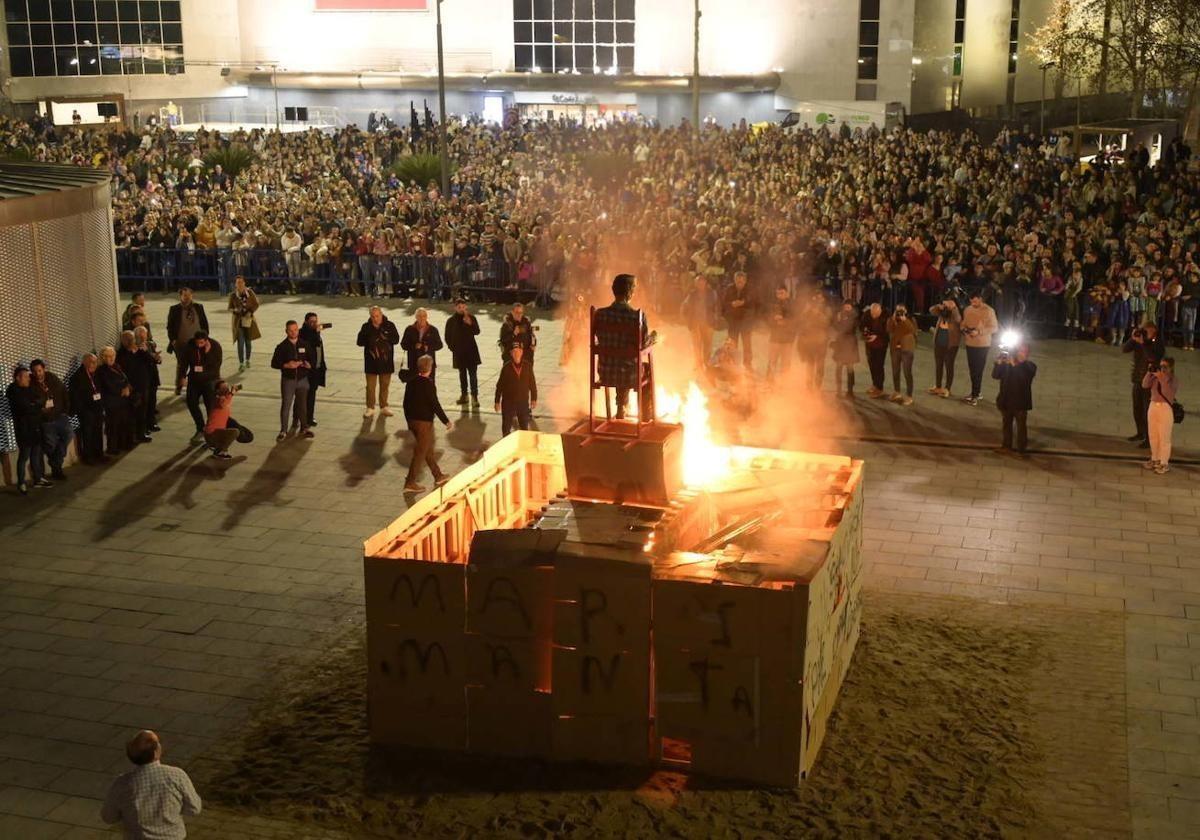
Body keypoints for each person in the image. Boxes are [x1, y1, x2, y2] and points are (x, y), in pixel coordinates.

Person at [101, 730, 202, 839]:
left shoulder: (122, 784)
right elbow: (194, 809)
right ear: (156, 752)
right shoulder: (176, 775)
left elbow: (108, 817)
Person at [593, 273, 657, 419]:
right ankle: (646, 415)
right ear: (629, 291)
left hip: (605, 372)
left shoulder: (600, 314)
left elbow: (596, 339)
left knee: (621, 361)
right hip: (628, 375)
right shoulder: (636, 316)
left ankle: (621, 407)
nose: (634, 291)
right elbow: (643, 343)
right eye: (634, 287)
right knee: (643, 368)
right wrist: (653, 337)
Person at [402, 354, 453, 492]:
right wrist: (446, 421)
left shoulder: (411, 382)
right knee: (420, 452)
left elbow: (405, 403)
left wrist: (409, 420)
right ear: (430, 368)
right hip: (424, 423)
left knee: (427, 449)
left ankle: (438, 475)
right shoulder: (428, 384)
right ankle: (410, 482)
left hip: (412, 421)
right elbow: (434, 404)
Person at [270, 320, 315, 442]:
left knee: (302, 405)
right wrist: (286, 365)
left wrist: (308, 364)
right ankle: (283, 430)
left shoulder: (304, 344)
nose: (293, 332)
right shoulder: (282, 347)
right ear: (286, 331)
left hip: (302, 379)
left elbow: (312, 359)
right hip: (288, 380)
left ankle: (304, 428)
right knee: (286, 405)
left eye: (295, 330)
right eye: (291, 330)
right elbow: (274, 363)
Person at [7, 365, 50, 494]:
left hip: (35, 426)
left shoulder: (29, 389)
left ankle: (37, 479)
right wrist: (36, 405)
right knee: (24, 456)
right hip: (23, 429)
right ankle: (21, 483)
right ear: (17, 378)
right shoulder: (13, 391)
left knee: (36, 454)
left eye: (28, 376)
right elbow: (24, 408)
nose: (28, 379)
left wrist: (34, 404)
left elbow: (41, 399)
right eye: (25, 377)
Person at [1122, 321, 1163, 448]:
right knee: (1137, 409)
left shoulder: (1158, 343)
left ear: (1154, 331)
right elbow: (1124, 349)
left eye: (1147, 331)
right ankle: (1140, 433)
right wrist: (1133, 338)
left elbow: (1153, 357)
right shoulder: (1141, 340)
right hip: (1137, 379)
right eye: (1144, 330)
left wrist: (1143, 344)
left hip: (1151, 382)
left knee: (1147, 412)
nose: (1145, 333)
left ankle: (1149, 439)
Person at [29, 359, 72, 480]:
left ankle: (55, 462)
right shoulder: (31, 385)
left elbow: (64, 391)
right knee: (51, 444)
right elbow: (33, 403)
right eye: (34, 371)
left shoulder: (52, 378)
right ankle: (56, 469)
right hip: (47, 420)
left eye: (39, 370)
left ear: (44, 369)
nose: (38, 374)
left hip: (60, 416)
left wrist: (66, 410)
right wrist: (41, 409)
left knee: (69, 435)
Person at [992, 343, 1037, 455]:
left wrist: (1013, 364)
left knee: (1021, 426)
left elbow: (1023, 378)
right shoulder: (1007, 364)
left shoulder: (1030, 366)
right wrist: (998, 364)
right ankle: (1006, 446)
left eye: (1025, 352)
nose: (1022, 354)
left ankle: (1022, 449)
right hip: (1006, 400)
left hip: (1020, 402)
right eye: (1021, 351)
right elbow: (995, 375)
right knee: (1006, 424)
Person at [357, 306, 400, 417]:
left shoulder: (389, 325)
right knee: (370, 387)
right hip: (371, 362)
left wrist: (385, 335)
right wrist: (367, 336)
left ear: (381, 314)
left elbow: (396, 340)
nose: (375, 318)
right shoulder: (366, 327)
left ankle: (384, 406)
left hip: (385, 362)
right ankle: (370, 407)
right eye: (373, 316)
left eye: (377, 316)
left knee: (384, 385)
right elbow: (359, 342)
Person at [165, 287, 209, 394]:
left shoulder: (198, 307)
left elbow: (204, 323)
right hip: (182, 343)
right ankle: (179, 386)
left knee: (198, 366)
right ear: (180, 296)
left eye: (189, 295)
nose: (187, 297)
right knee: (182, 366)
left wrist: (206, 337)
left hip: (197, 343)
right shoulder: (175, 309)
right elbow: (170, 326)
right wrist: (173, 341)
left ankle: (196, 388)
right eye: (185, 295)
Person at [184, 331, 222, 445]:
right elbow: (183, 362)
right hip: (194, 380)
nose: (199, 345)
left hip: (209, 380)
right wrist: (182, 376)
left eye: (201, 343)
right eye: (197, 343)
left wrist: (207, 353)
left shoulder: (215, 346)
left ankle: (210, 431)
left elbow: (216, 365)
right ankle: (200, 427)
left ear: (206, 341)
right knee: (191, 402)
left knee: (210, 406)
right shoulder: (190, 346)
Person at [961, 292, 999, 406]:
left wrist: (979, 332)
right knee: (972, 369)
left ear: (980, 299)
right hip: (969, 342)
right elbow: (964, 322)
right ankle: (976, 392)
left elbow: (994, 328)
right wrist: (963, 328)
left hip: (982, 344)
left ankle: (975, 394)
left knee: (978, 369)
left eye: (975, 301)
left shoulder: (989, 311)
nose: (973, 303)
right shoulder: (967, 310)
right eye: (971, 301)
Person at [69, 353, 107, 465]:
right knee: (87, 433)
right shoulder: (77, 377)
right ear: (84, 362)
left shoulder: (96, 374)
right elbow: (76, 396)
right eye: (91, 362)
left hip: (97, 408)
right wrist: (82, 410)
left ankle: (99, 454)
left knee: (98, 432)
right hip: (86, 410)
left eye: (95, 362)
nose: (94, 365)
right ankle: (88, 457)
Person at [116, 331, 154, 444]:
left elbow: (150, 361)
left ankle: (141, 433)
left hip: (143, 386)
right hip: (131, 388)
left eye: (131, 339)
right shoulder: (121, 355)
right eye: (127, 340)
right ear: (123, 341)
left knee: (143, 411)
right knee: (132, 413)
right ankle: (131, 436)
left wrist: (142, 351)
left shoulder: (139, 351)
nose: (130, 342)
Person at [97, 345, 136, 454]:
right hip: (112, 402)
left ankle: (123, 444)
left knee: (123, 423)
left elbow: (125, 379)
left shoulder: (116, 366)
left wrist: (127, 387)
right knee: (113, 426)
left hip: (122, 401)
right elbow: (109, 385)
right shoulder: (102, 370)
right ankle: (112, 448)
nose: (111, 358)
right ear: (103, 357)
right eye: (108, 356)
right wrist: (122, 390)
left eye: (113, 355)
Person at [1143, 357, 1178, 475]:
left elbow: (1168, 393)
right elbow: (1144, 385)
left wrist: (1162, 378)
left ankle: (1164, 463)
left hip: (1165, 408)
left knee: (1164, 437)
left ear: (1170, 368)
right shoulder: (1155, 376)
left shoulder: (1173, 379)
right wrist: (1149, 372)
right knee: (1153, 435)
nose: (1162, 368)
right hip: (1153, 405)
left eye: (1165, 366)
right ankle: (1155, 458)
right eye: (1161, 365)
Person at [445, 298, 482, 406]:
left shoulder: (471, 318)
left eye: (463, 307)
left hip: (471, 352)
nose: (461, 309)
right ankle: (464, 395)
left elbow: (477, 331)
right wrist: (452, 348)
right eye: (459, 307)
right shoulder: (451, 321)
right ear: (455, 308)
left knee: (473, 375)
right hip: (459, 353)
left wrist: (470, 323)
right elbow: (447, 336)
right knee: (462, 375)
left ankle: (474, 397)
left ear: (466, 307)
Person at [495, 343, 538, 435]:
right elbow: (499, 386)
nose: (516, 354)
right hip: (508, 403)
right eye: (514, 352)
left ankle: (523, 446)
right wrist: (497, 401)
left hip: (522, 402)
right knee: (506, 428)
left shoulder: (527, 366)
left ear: (522, 352)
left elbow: (532, 384)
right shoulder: (506, 367)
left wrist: (534, 399)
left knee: (524, 428)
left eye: (518, 351)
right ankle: (506, 445)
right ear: (511, 353)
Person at [680, 274, 718, 371]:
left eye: (702, 281)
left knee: (708, 344)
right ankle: (698, 364)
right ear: (695, 284)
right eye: (698, 282)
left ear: (706, 283)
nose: (700, 284)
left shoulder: (712, 293)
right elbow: (684, 306)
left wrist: (716, 318)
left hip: (708, 323)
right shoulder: (692, 294)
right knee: (696, 345)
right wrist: (686, 318)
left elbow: (717, 306)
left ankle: (707, 362)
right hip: (695, 323)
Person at [928, 296, 962, 397]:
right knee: (938, 365)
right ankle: (938, 386)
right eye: (946, 303)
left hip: (951, 343)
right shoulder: (942, 311)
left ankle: (947, 388)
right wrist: (939, 306)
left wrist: (954, 308)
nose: (947, 305)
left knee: (949, 365)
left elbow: (958, 320)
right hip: (939, 341)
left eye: (949, 303)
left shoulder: (957, 312)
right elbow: (931, 311)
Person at [297, 313, 328, 427]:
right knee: (302, 396)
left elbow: (319, 348)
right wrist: (316, 332)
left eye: (315, 321)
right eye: (311, 321)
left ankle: (310, 417)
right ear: (306, 322)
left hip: (316, 369)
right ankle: (298, 417)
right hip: (306, 370)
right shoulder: (303, 333)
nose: (314, 324)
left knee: (312, 395)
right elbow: (309, 344)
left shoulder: (315, 333)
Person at [203, 381, 247, 460]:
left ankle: (218, 448)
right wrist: (232, 393)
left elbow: (227, 399)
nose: (226, 389)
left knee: (234, 429)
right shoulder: (217, 399)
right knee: (235, 432)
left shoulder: (225, 398)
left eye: (227, 387)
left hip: (216, 433)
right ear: (217, 390)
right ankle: (219, 451)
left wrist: (233, 391)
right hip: (211, 434)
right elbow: (223, 403)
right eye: (223, 388)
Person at [721, 270, 755, 367]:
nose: (740, 282)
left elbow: (753, 302)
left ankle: (747, 364)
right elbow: (724, 303)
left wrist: (743, 303)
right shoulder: (729, 289)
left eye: (742, 280)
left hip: (746, 321)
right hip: (733, 321)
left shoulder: (750, 289)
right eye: (738, 280)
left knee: (747, 344)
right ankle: (733, 364)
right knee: (732, 343)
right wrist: (731, 304)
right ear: (734, 280)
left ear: (745, 280)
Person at [227, 275, 261, 371]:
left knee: (248, 342)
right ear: (235, 284)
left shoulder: (249, 292)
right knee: (240, 343)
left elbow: (256, 304)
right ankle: (241, 363)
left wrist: (250, 311)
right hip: (238, 322)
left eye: (241, 282)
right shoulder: (233, 295)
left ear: (244, 283)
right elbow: (229, 308)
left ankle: (248, 360)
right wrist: (235, 310)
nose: (240, 284)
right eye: (238, 283)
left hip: (248, 320)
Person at [134, 326, 163, 432]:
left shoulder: (150, 344)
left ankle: (152, 423)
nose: (142, 338)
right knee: (144, 405)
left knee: (152, 402)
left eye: (144, 335)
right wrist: (151, 356)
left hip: (152, 377)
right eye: (140, 336)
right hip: (142, 380)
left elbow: (156, 359)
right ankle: (144, 427)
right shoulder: (135, 348)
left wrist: (158, 359)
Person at [886, 304, 917, 405]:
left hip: (907, 350)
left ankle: (909, 396)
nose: (900, 313)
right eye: (898, 310)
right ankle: (897, 392)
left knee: (907, 372)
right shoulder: (893, 320)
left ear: (906, 311)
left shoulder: (911, 320)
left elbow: (912, 330)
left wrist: (905, 320)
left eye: (902, 311)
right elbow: (888, 329)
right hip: (895, 349)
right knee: (895, 371)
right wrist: (893, 318)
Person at [401, 308, 444, 374]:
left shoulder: (433, 329)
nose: (422, 318)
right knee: (414, 383)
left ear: (427, 317)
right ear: (416, 317)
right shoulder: (409, 329)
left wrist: (428, 347)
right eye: (419, 316)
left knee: (429, 383)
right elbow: (403, 344)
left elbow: (439, 345)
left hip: (428, 363)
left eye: (424, 316)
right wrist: (414, 346)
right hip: (414, 362)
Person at [860, 302, 889, 398]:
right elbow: (861, 326)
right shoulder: (867, 314)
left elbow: (887, 332)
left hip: (881, 345)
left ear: (880, 310)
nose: (874, 316)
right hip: (869, 345)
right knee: (871, 365)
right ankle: (874, 385)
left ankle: (880, 388)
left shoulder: (886, 316)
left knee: (879, 366)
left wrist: (876, 336)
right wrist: (866, 332)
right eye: (872, 313)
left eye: (876, 314)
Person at [831, 301, 859, 398]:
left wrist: (841, 323)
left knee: (850, 368)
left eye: (849, 306)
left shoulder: (855, 316)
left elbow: (851, 328)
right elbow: (835, 327)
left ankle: (850, 391)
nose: (847, 307)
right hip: (840, 344)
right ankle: (838, 390)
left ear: (851, 307)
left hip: (850, 345)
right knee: (839, 367)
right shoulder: (839, 315)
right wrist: (837, 321)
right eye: (845, 306)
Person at [766, 285, 795, 381]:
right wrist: (774, 320)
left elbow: (796, 320)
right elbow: (767, 319)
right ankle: (769, 382)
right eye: (777, 293)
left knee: (786, 363)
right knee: (772, 362)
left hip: (787, 340)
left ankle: (784, 383)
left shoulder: (792, 305)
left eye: (782, 293)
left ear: (787, 293)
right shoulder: (773, 304)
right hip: (774, 338)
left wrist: (784, 321)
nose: (779, 295)